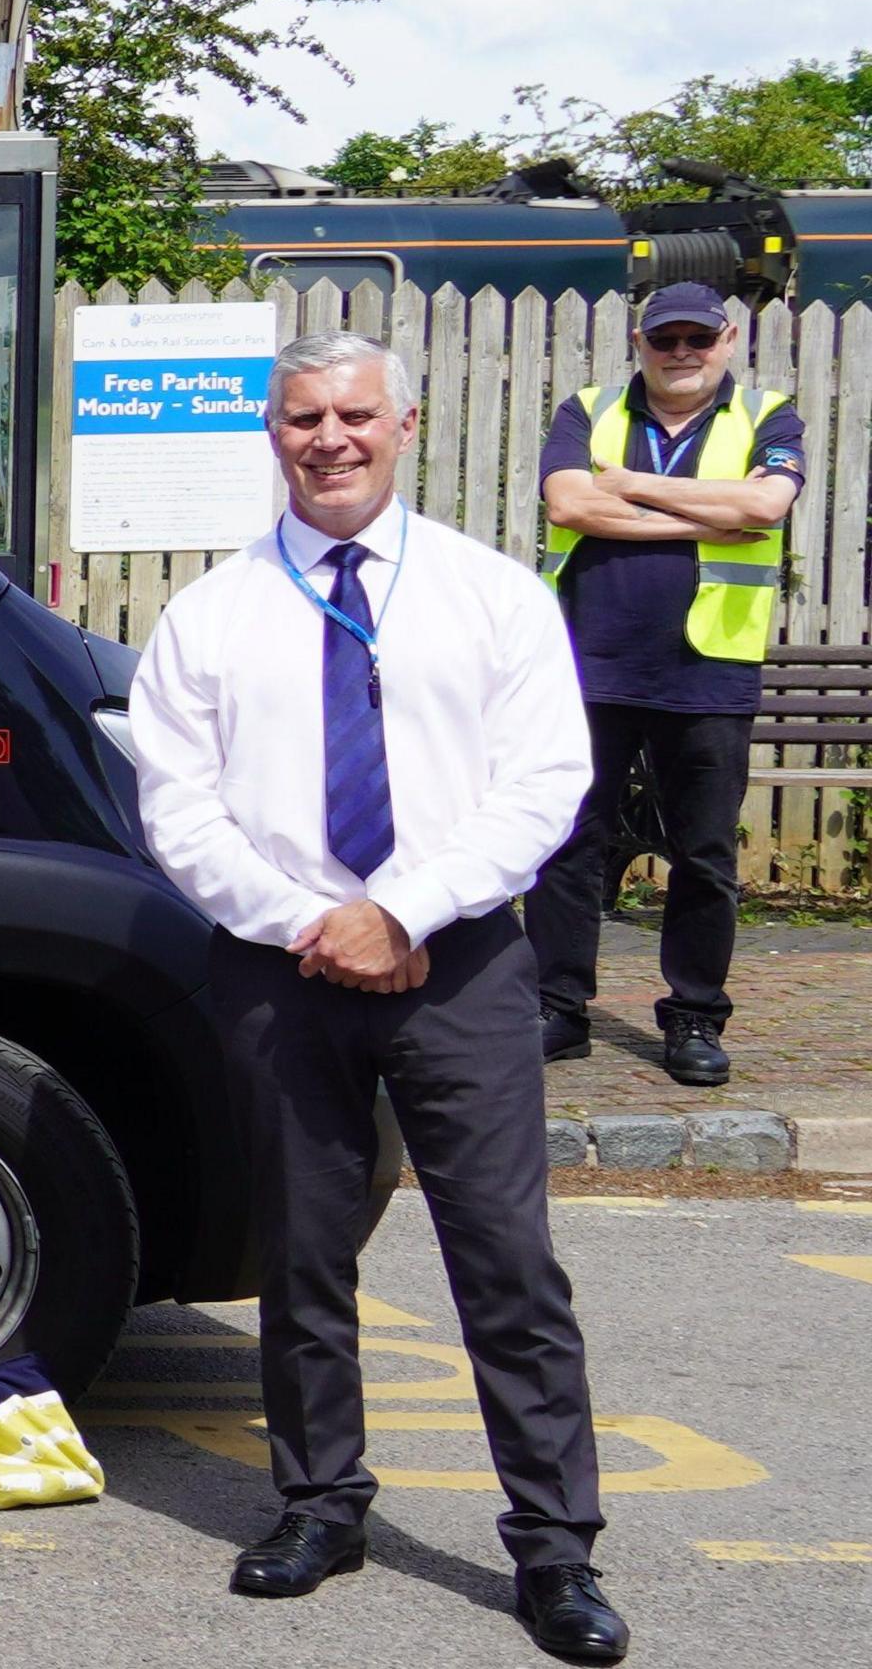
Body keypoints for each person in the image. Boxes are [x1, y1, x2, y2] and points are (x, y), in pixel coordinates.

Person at [129, 333, 626, 1664]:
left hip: (457, 959)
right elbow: (178, 809)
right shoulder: (211, 614)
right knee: (300, 1251)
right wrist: (322, 922)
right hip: (281, 963)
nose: (329, 437)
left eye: (356, 412)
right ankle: (319, 1500)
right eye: (304, 417)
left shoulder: (494, 594)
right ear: (273, 431)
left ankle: (555, 1544)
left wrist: (400, 909)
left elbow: (543, 783)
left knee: (506, 1260)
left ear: (404, 422)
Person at [525, 281, 804, 1084]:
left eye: (697, 339)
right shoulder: (587, 408)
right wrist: (710, 515)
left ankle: (693, 1019)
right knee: (566, 842)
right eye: (665, 339)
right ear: (639, 341)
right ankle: (558, 1008)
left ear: (728, 341)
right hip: (587, 658)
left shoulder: (769, 413)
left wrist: (632, 485)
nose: (681, 353)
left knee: (705, 855)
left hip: (708, 668)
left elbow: (767, 502)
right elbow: (571, 504)